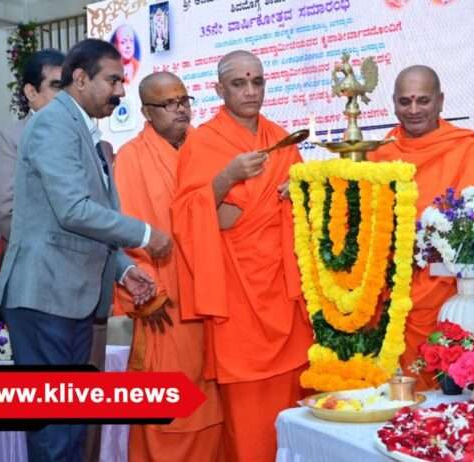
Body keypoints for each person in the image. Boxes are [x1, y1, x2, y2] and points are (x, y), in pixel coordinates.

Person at [0, 38, 172, 462]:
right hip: (44, 297)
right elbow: (73, 210)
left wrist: (124, 270)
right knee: (55, 432)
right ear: (80, 78)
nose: (120, 91)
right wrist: (146, 234)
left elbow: (83, 222)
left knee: (70, 425)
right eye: (112, 80)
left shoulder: (81, 127)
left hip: (70, 298)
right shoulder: (55, 124)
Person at [170, 50, 312, 462]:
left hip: (285, 294)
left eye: (258, 82)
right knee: (250, 426)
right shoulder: (204, 142)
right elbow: (187, 216)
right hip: (237, 298)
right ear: (219, 89)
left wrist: (300, 191)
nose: (251, 91)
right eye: (239, 83)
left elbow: (307, 209)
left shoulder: (280, 137)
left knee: (293, 416)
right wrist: (226, 178)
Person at [115, 72, 223, 462]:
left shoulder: (207, 147)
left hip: (214, 297)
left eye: (184, 100)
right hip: (166, 304)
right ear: (146, 111)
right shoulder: (131, 158)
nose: (181, 110)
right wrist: (148, 296)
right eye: (169, 104)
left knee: (216, 404)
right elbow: (126, 233)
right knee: (173, 409)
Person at [367, 65, 474, 390]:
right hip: (393, 293)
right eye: (405, 101)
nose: (413, 110)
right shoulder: (378, 154)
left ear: (440, 102)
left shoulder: (471, 149)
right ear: (393, 103)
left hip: (452, 292)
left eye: (423, 101)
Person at [0, 49, 64, 242]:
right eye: (56, 86)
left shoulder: (84, 136)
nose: (65, 96)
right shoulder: (8, 138)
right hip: (39, 261)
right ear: (31, 92)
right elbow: (5, 214)